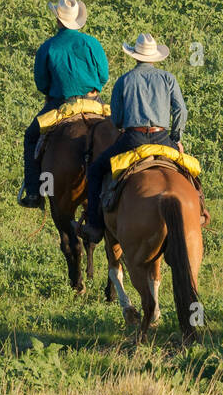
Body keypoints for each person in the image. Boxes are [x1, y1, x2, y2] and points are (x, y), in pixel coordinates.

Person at [79, 33, 187, 244]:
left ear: (135, 56)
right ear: (155, 57)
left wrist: (123, 125)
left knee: (96, 170)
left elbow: (117, 120)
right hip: (163, 138)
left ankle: (94, 225)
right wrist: (176, 137)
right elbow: (181, 110)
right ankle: (200, 209)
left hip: (132, 140)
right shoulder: (168, 79)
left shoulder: (125, 80)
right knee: (187, 171)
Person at [18, 0, 110, 208]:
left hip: (60, 104)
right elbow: (103, 76)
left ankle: (35, 191)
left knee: (31, 137)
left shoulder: (47, 47)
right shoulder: (91, 43)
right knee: (116, 135)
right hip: (93, 100)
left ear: (57, 19)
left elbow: (41, 82)